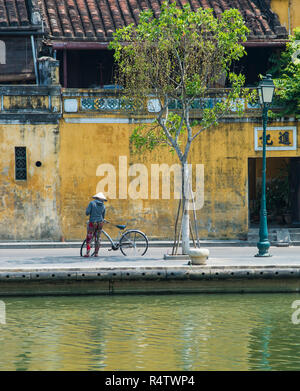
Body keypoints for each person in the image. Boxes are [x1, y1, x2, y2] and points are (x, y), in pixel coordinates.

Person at [84, 192, 107, 257]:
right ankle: (96, 253)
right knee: (98, 238)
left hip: (92, 223)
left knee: (89, 238)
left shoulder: (92, 203)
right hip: (100, 223)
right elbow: (103, 216)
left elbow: (87, 213)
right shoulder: (103, 205)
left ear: (96, 198)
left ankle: (88, 253)